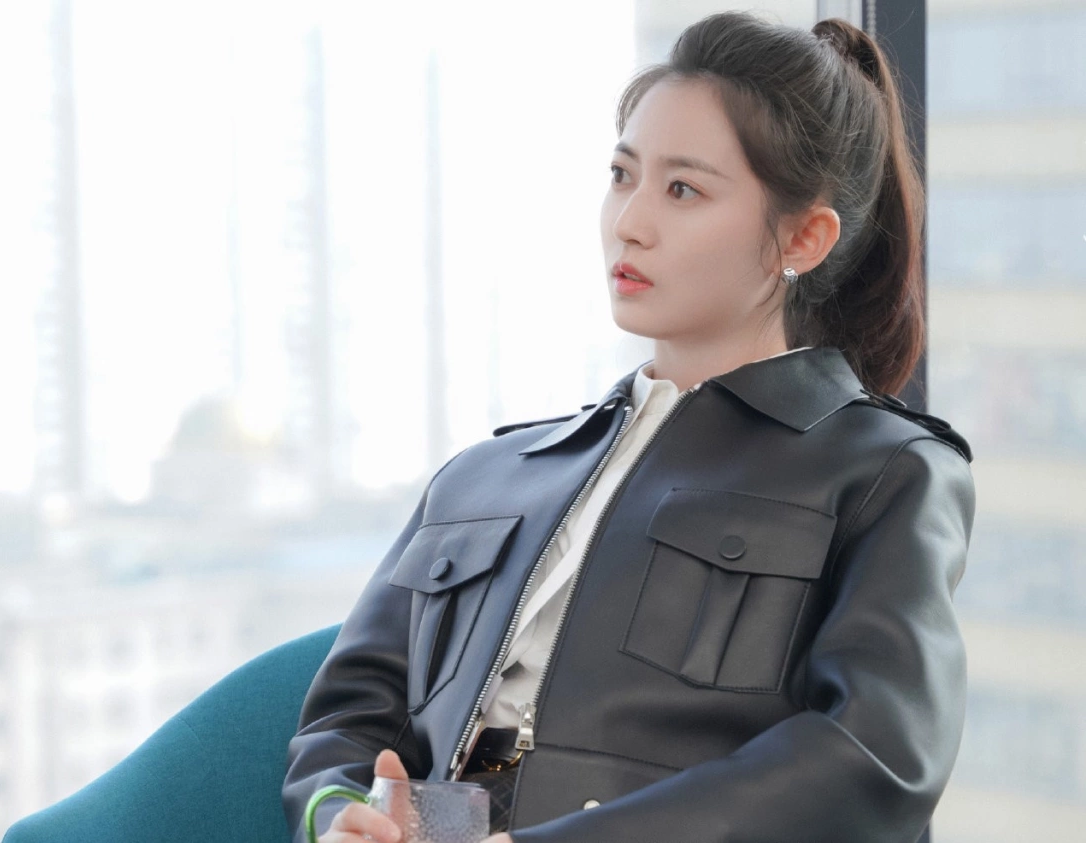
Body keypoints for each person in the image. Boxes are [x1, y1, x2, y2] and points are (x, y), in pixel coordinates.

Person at [281, 10, 976, 843]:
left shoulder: (885, 472)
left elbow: (871, 759)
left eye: (683, 190)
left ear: (803, 237)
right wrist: (341, 817)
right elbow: (344, 719)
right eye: (622, 175)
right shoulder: (484, 476)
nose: (629, 221)